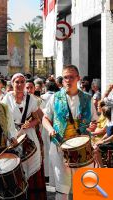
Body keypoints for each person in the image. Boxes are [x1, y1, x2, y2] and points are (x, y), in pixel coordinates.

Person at [42, 65, 98, 200]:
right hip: (60, 148)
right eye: (65, 77)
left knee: (85, 188)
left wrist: (92, 126)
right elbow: (45, 118)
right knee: (62, 190)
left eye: (71, 77)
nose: (68, 80)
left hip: (83, 148)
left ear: (78, 78)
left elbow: (94, 121)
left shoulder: (87, 98)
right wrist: (50, 130)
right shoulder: (55, 98)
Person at [2, 73, 47, 200]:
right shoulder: (6, 99)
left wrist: (30, 124)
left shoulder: (31, 99)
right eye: (17, 82)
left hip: (29, 135)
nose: (20, 84)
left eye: (22, 82)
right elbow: (2, 119)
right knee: (15, 168)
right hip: (13, 135)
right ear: (12, 83)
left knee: (31, 165)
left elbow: (38, 118)